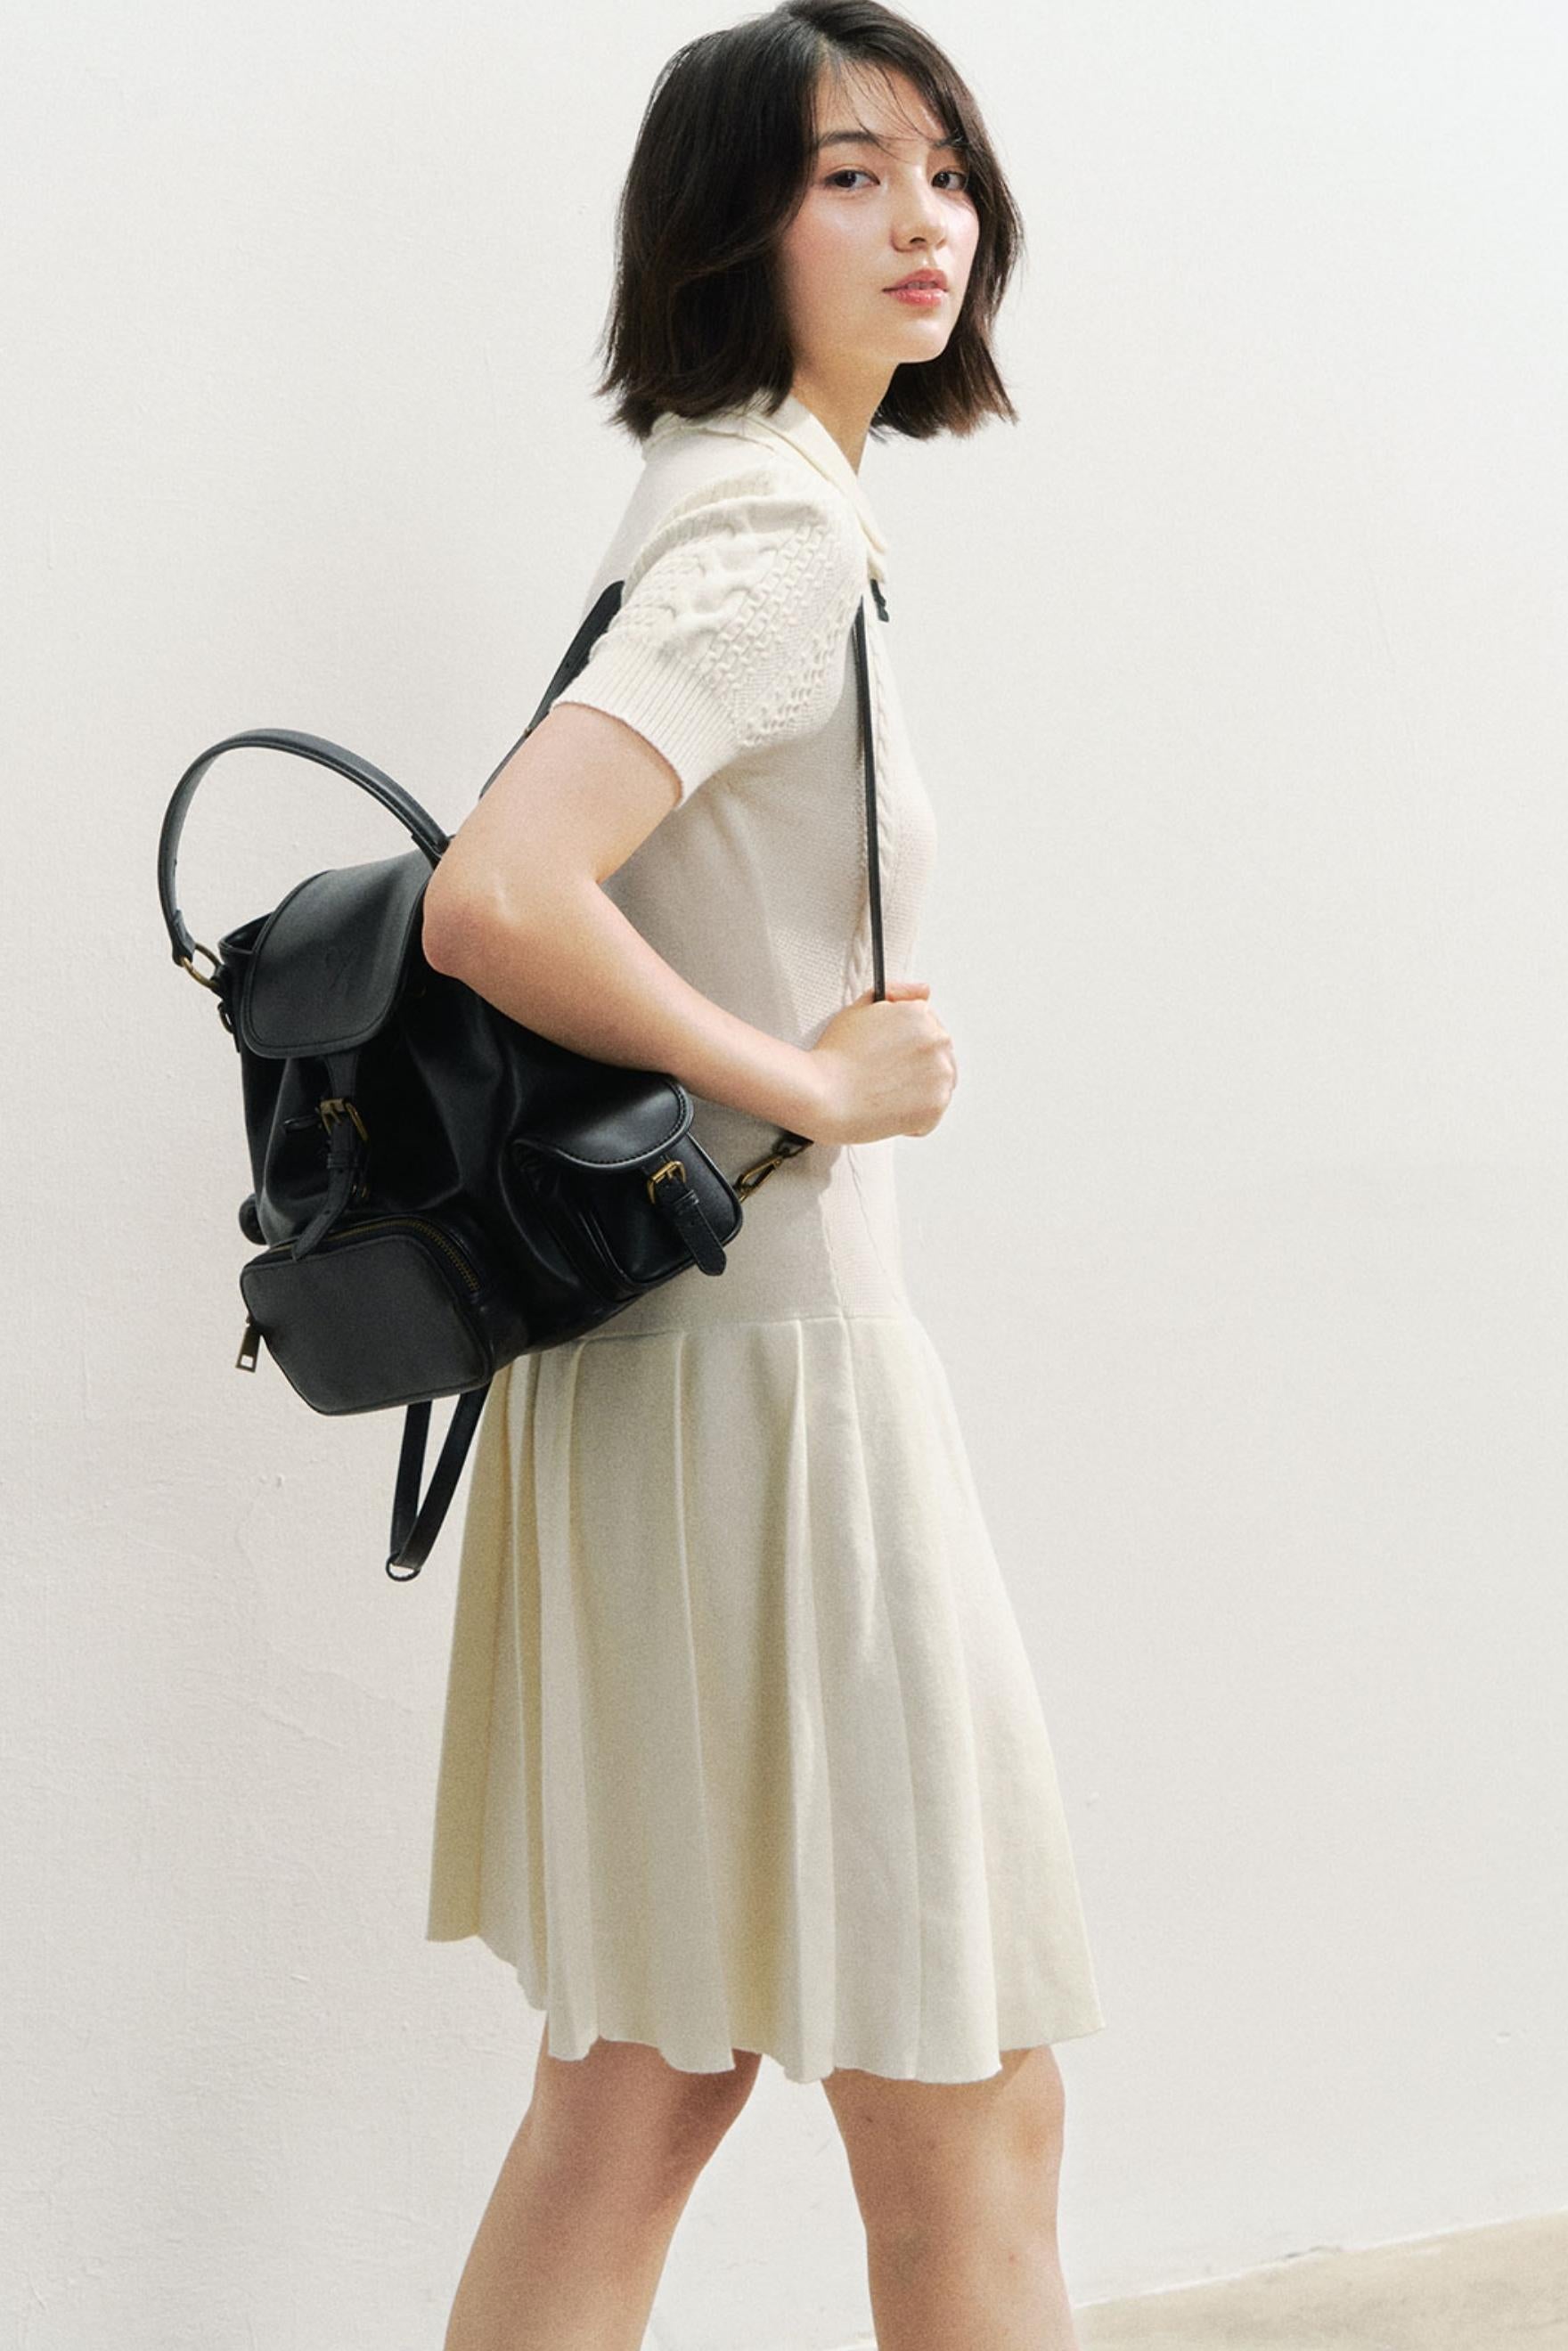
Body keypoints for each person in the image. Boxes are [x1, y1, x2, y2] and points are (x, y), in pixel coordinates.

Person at [420, 5, 1106, 2345]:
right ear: (735, 221)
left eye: (946, 169)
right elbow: (498, 893)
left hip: (660, 1372)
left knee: (636, 2083)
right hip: (778, 1383)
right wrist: (808, 1087)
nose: (927, 221)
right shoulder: (773, 536)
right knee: (969, 2102)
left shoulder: (731, 497)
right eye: (848, 173)